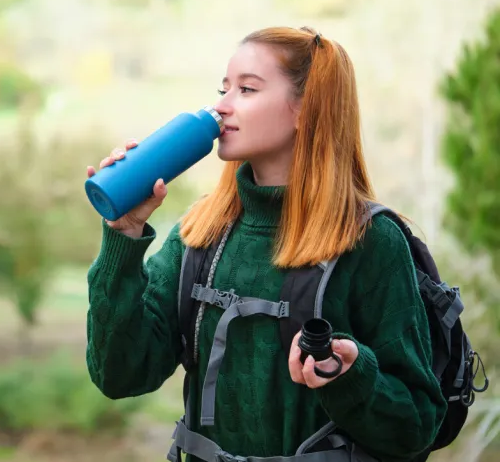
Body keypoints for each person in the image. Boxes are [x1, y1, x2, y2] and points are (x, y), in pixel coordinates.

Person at [84, 26, 448, 462]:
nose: (221, 106)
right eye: (223, 89)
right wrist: (122, 234)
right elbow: (118, 374)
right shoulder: (200, 232)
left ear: (305, 109)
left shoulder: (369, 241)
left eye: (246, 89)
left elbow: (416, 428)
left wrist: (351, 375)